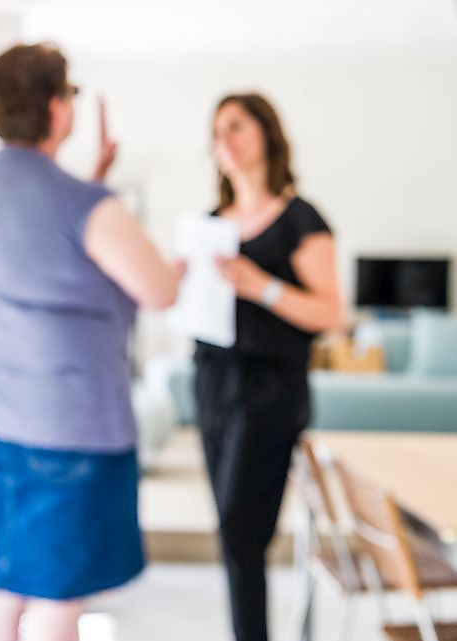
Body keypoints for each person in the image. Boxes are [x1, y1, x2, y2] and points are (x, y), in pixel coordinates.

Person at [0, 43, 180, 641]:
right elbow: (159, 290)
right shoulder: (90, 206)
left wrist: (93, 177)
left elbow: (41, 242)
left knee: (4, 582)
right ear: (58, 109)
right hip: (73, 432)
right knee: (58, 597)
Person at [196, 93, 344, 641]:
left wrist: (262, 286)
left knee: (241, 528)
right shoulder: (210, 224)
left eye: (236, 126)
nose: (225, 141)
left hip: (269, 391)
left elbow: (332, 314)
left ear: (266, 134)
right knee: (232, 530)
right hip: (212, 383)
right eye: (217, 132)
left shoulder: (300, 219)